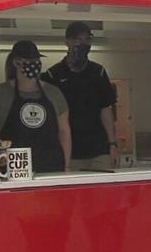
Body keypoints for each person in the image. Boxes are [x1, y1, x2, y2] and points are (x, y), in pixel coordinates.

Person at [0, 40, 71, 173]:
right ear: (16, 63)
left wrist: (66, 166)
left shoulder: (54, 93)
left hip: (51, 168)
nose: (34, 63)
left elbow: (64, 131)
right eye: (29, 60)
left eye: (36, 60)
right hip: (13, 170)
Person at [43, 21, 118, 170]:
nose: (83, 44)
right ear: (68, 41)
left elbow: (105, 109)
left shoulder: (98, 72)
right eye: (78, 40)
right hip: (69, 151)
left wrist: (112, 144)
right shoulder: (53, 75)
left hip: (98, 149)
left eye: (87, 40)